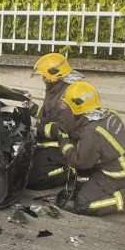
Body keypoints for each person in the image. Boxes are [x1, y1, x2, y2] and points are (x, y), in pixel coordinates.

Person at [55, 81, 125, 222]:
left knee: (82, 204)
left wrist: (64, 142)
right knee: (84, 177)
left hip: (118, 174)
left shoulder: (91, 134)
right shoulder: (110, 114)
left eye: (67, 105)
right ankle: (86, 189)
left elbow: (80, 162)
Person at [26, 53, 85, 189]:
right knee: (22, 169)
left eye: (45, 76)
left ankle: (72, 169)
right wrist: (31, 108)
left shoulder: (71, 94)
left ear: (56, 76)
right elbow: (49, 115)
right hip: (50, 141)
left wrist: (37, 130)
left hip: (67, 144)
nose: (43, 79)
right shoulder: (55, 88)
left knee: (34, 179)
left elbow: (64, 129)